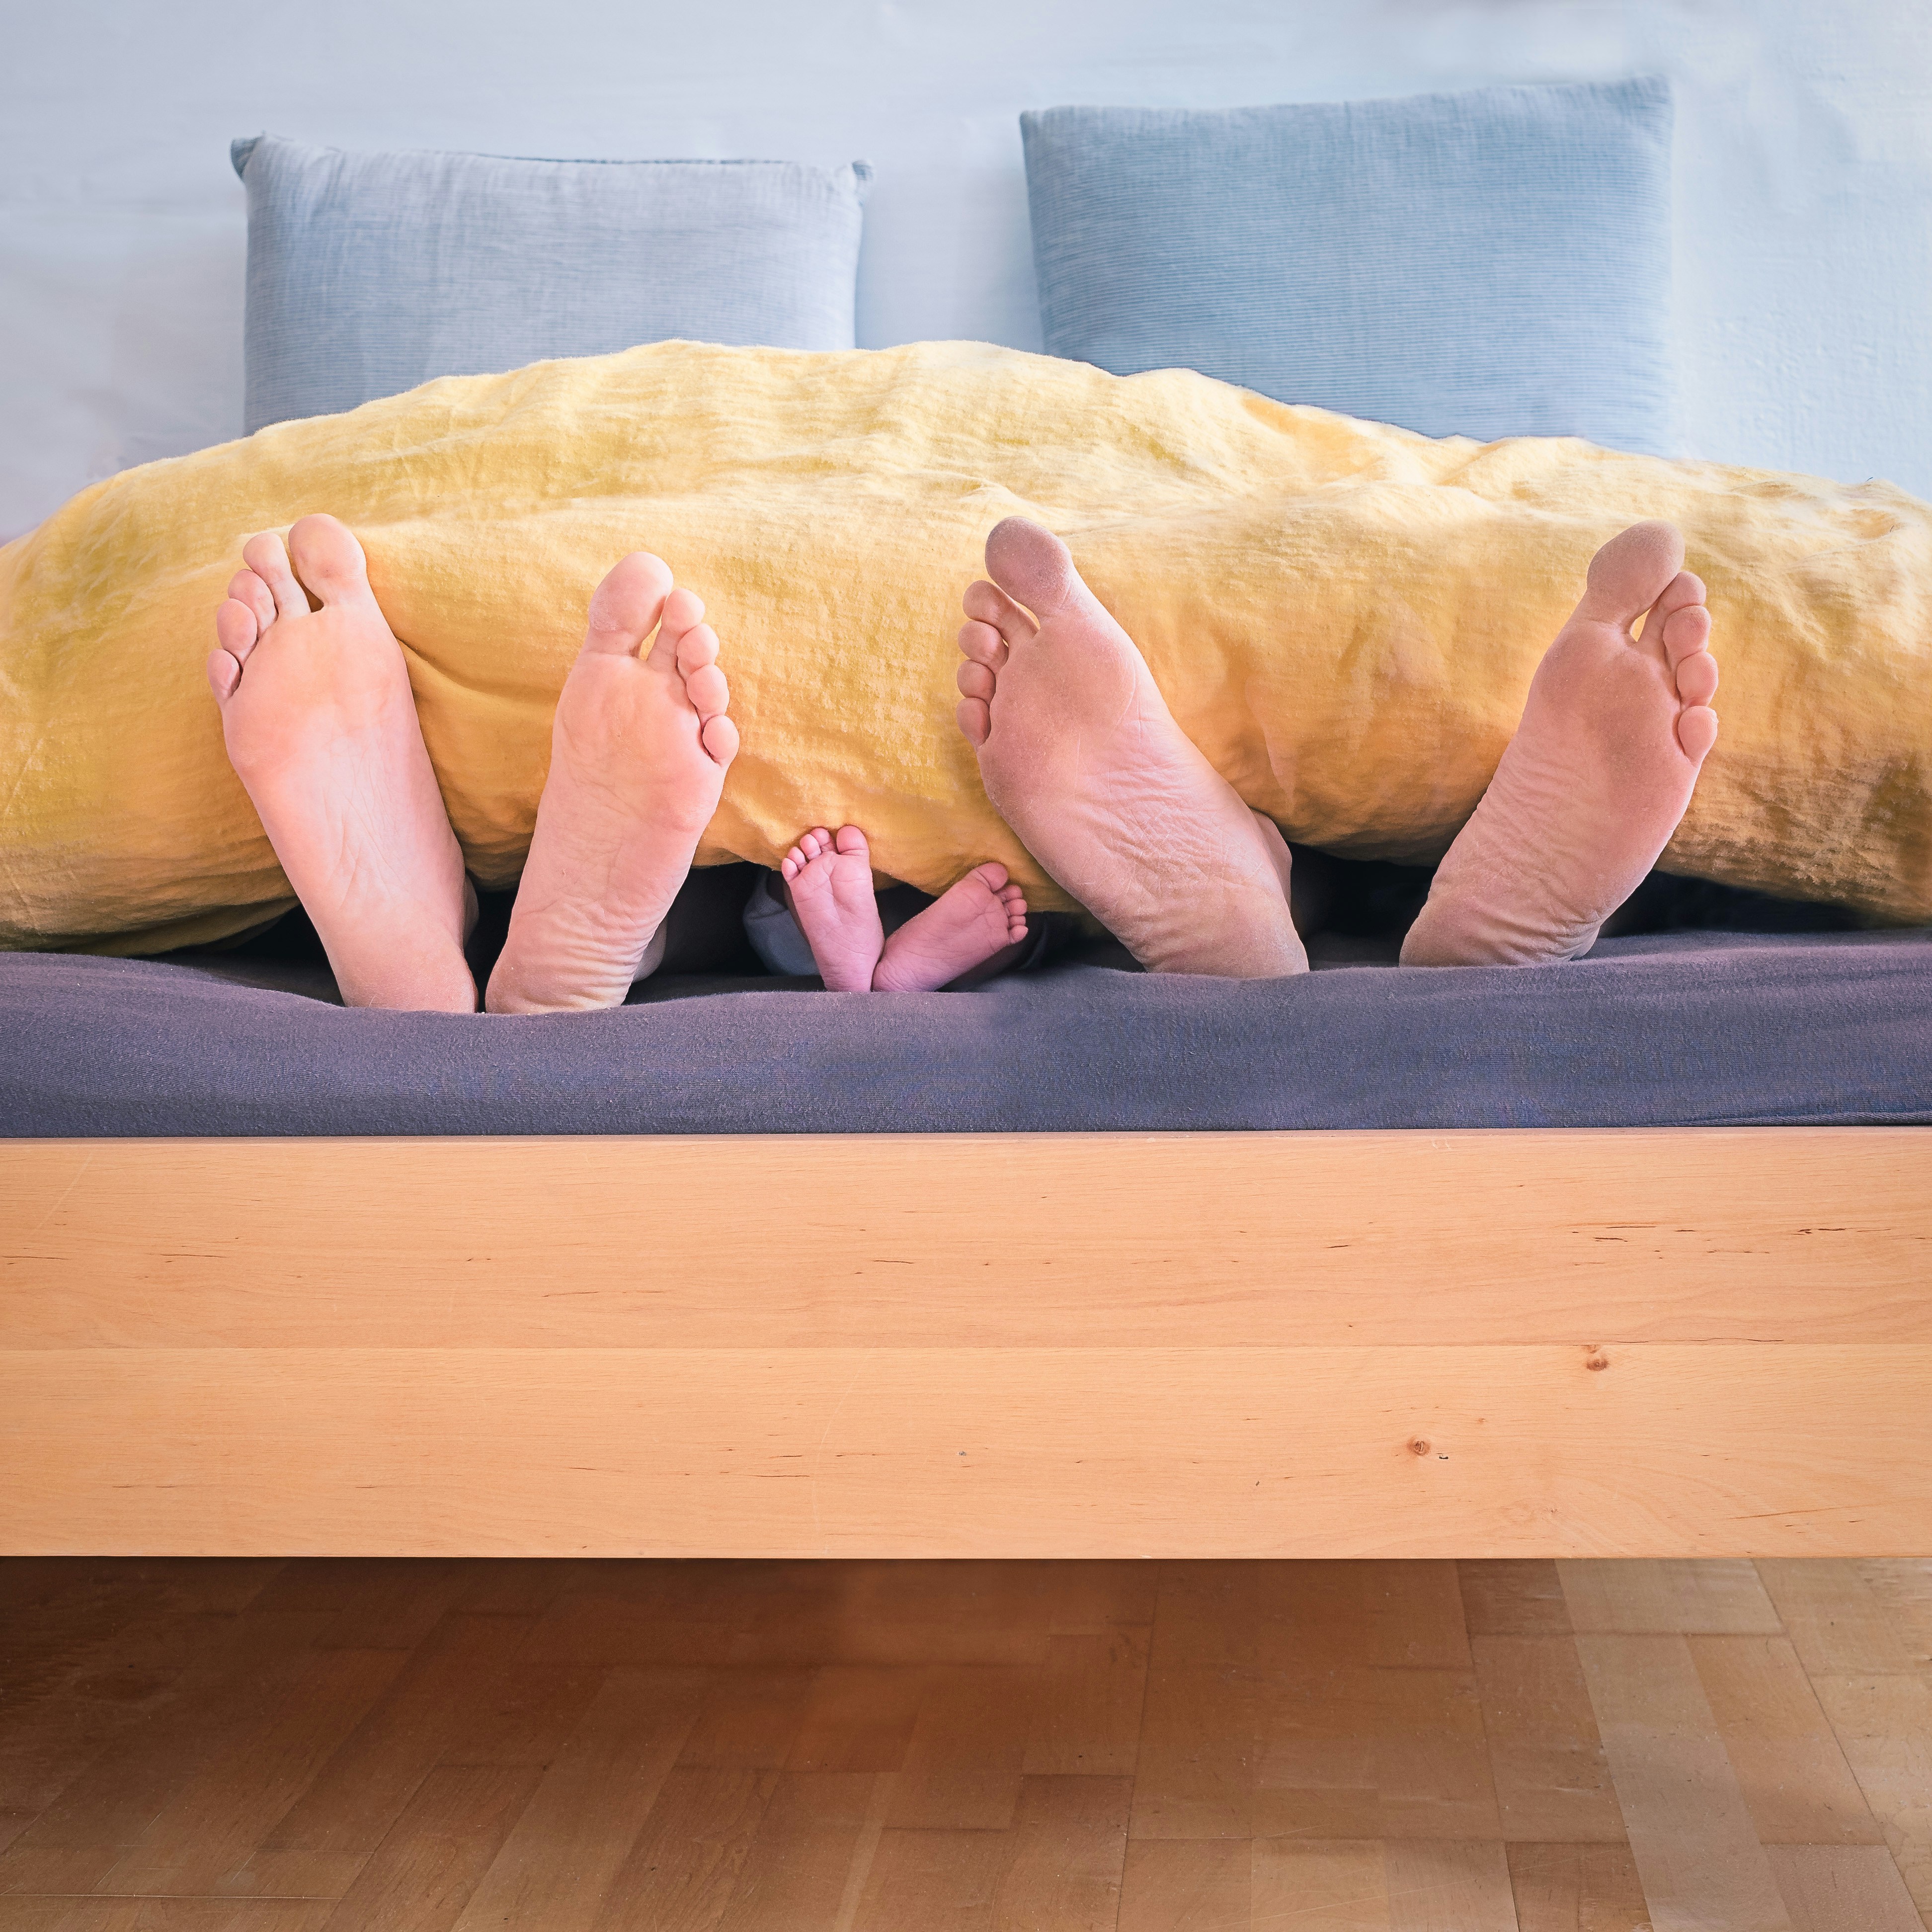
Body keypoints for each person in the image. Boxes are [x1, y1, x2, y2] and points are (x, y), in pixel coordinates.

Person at [205, 509, 1716, 1010]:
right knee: (1311, 863)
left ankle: (453, 948)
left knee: (735, 881)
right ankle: (1282, 904)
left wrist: (877, 971)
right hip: (999, 900)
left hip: (801, 910)